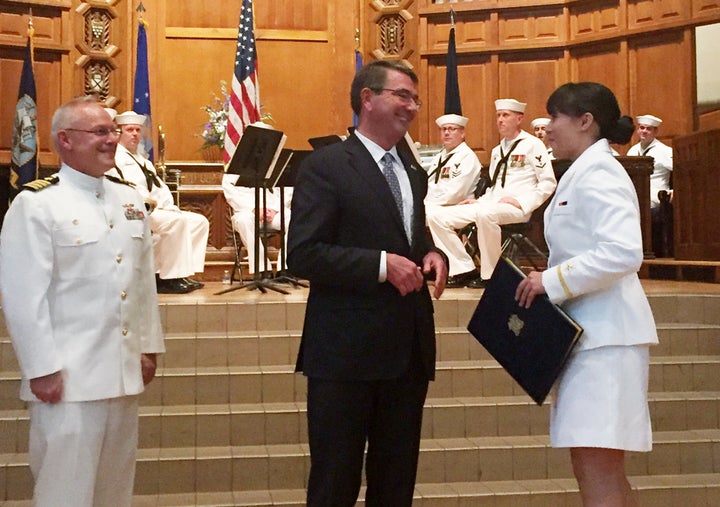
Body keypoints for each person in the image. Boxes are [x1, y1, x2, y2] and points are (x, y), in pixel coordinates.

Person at [287, 60, 448, 507]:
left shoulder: (412, 169)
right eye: (403, 95)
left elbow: (408, 233)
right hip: (345, 353)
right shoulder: (327, 166)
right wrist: (381, 266)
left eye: (415, 98)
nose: (413, 107)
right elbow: (302, 253)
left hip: (407, 351)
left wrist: (431, 253)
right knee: (335, 480)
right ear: (367, 98)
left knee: (396, 482)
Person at [0, 96, 165, 507]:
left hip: (122, 374)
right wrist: (41, 368)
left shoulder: (127, 200)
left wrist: (147, 347)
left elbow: (142, 282)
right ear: (66, 140)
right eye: (100, 132)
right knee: (65, 494)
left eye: (112, 130)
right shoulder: (37, 204)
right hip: (68, 380)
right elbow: (23, 295)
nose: (112, 139)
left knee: (114, 492)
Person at [515, 82, 658, 507]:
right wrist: (551, 276)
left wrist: (550, 281)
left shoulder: (599, 171)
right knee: (596, 468)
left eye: (554, 117)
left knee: (598, 470)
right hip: (593, 338)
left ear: (585, 121)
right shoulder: (585, 169)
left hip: (606, 340)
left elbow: (623, 252)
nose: (547, 128)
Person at [427, 98, 556, 288]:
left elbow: (547, 182)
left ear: (519, 119)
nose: (500, 120)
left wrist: (522, 202)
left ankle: (492, 276)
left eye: (506, 115)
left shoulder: (532, 145)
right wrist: (477, 200)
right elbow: (496, 187)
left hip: (518, 207)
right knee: (437, 216)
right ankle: (463, 268)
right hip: (492, 204)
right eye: (498, 115)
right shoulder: (497, 151)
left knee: (485, 214)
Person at [110, 110, 209, 293]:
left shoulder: (143, 161)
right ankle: (169, 278)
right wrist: (152, 205)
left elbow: (158, 188)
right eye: (129, 130)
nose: (135, 134)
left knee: (198, 222)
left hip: (157, 209)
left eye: (138, 130)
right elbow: (127, 189)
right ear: (119, 133)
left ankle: (184, 273)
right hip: (135, 211)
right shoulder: (115, 158)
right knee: (175, 222)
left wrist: (168, 206)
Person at [222, 171, 292, 277]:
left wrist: (274, 209)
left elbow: (287, 189)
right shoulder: (236, 166)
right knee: (243, 220)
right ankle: (262, 269)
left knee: (292, 217)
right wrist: (255, 209)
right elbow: (230, 193)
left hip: (274, 212)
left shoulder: (276, 164)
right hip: (246, 211)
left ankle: (285, 268)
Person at [627, 114, 674, 256]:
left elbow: (682, 172)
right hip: (634, 194)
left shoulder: (665, 151)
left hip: (656, 196)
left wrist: (674, 191)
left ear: (655, 132)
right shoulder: (632, 151)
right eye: (641, 128)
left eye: (649, 129)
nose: (644, 131)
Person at [424, 113, 482, 209]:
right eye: (444, 129)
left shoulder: (467, 157)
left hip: (456, 207)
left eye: (452, 129)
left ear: (462, 133)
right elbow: (428, 184)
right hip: (434, 204)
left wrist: (427, 204)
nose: (446, 133)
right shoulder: (439, 156)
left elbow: (455, 194)